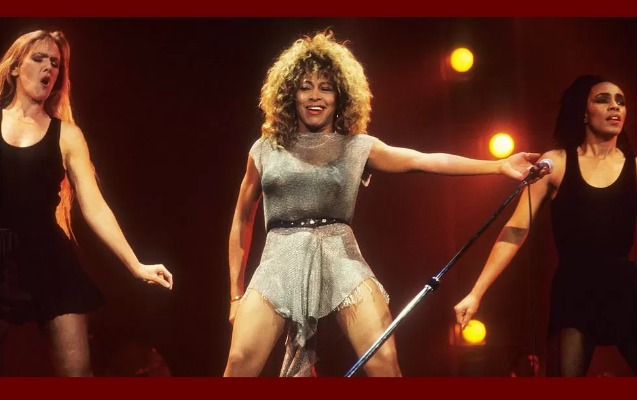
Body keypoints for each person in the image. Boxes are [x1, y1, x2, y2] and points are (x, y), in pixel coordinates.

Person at [224, 29, 539, 378]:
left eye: (326, 88)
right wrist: (235, 295)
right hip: (279, 260)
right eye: (305, 87)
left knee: (384, 361)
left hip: (340, 257)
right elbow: (242, 220)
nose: (315, 96)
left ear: (340, 96)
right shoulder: (265, 149)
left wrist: (498, 165)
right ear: (290, 94)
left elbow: (422, 160)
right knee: (239, 362)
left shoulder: (357, 146)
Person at [0, 30, 173, 377]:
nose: (49, 68)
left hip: (49, 259)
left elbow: (94, 206)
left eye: (55, 64)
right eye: (39, 58)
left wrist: (135, 265)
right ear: (15, 67)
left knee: (78, 376)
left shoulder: (67, 135)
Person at [454, 75, 637, 377]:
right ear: (584, 113)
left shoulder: (633, 169)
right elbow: (515, 229)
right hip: (575, 291)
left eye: (621, 101)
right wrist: (476, 292)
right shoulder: (556, 164)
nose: (614, 106)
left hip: (626, 289)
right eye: (602, 99)